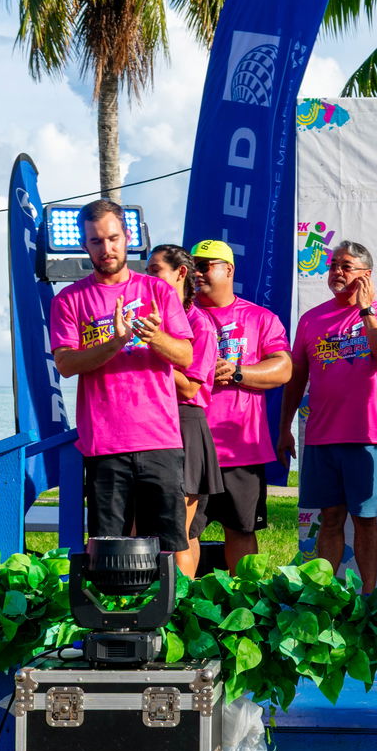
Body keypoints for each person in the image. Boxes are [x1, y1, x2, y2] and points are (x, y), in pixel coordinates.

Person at [49, 200, 194, 551]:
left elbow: (186, 356)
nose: (107, 249)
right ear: (84, 245)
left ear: (127, 237)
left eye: (113, 238)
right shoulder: (69, 300)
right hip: (105, 444)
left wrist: (155, 337)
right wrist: (116, 342)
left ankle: (166, 593)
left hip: (159, 439)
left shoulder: (158, 291)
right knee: (109, 550)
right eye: (96, 241)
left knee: (166, 549)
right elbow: (65, 365)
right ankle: (111, 592)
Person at [277, 241, 377, 585]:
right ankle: (325, 597)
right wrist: (284, 428)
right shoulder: (311, 319)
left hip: (366, 436)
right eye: (333, 266)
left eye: (346, 266)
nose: (337, 272)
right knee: (329, 519)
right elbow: (296, 379)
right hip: (322, 437)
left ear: (366, 275)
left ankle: (369, 597)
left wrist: (365, 310)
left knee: (365, 521)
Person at [190, 239, 292, 568]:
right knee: (184, 534)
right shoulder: (179, 316)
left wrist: (237, 373)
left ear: (229, 269)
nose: (196, 273)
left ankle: (245, 598)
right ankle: (180, 598)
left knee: (242, 530)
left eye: (204, 266)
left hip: (240, 449)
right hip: (190, 445)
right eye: (191, 267)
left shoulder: (259, 317)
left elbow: (283, 369)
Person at [148, 244, 221, 577]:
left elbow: (191, 387)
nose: (147, 278)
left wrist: (153, 353)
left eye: (155, 271)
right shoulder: (149, 317)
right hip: (149, 424)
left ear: (180, 273)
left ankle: (179, 604)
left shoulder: (199, 324)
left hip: (184, 422)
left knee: (179, 532)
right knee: (148, 529)